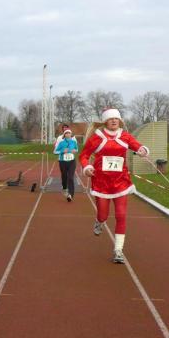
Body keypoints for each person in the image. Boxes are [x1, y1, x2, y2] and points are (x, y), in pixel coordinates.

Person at [79, 108, 150, 264]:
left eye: (116, 119)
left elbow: (136, 146)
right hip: (102, 182)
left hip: (120, 181)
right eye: (110, 119)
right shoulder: (97, 138)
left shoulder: (125, 136)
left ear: (120, 121)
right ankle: (99, 221)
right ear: (105, 121)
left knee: (121, 215)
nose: (113, 121)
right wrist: (87, 167)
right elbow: (83, 156)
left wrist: (142, 150)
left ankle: (118, 250)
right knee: (103, 215)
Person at [54, 128, 78, 201]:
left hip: (72, 161)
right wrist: (62, 151)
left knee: (70, 177)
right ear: (64, 135)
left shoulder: (74, 142)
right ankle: (64, 187)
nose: (68, 134)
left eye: (69, 133)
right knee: (64, 176)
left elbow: (76, 150)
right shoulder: (61, 143)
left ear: (71, 134)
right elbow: (55, 152)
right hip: (63, 162)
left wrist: (75, 151)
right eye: (66, 133)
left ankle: (70, 194)